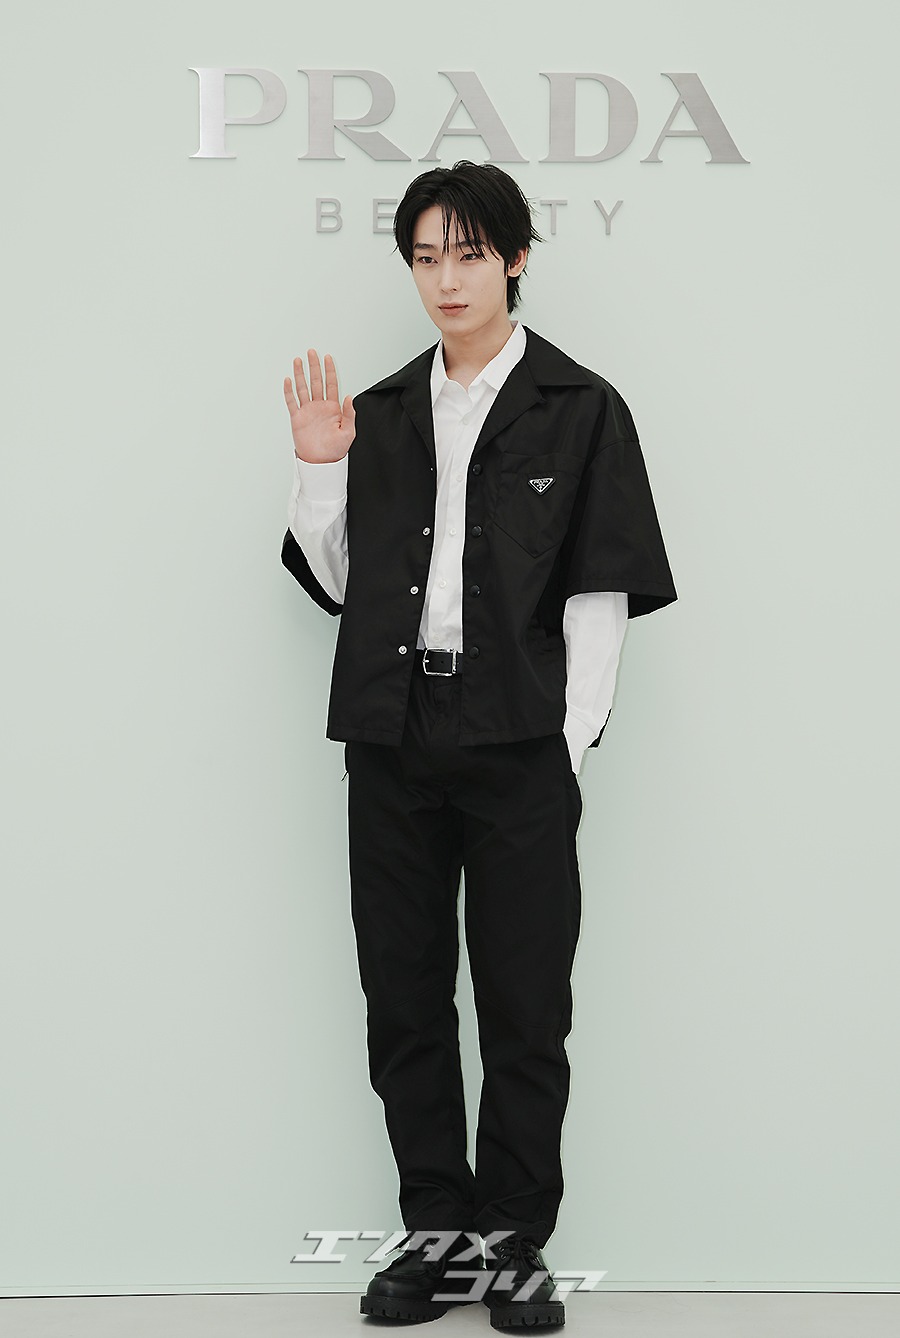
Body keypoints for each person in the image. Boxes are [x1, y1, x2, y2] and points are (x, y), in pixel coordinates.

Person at [281, 160, 677, 1330]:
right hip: (392, 738)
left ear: (514, 259)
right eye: (425, 257)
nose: (446, 279)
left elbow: (599, 595)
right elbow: (341, 585)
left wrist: (567, 748)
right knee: (402, 998)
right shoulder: (384, 411)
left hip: (520, 745)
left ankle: (513, 1241)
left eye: (467, 253)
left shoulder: (581, 407)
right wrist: (318, 467)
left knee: (523, 1003)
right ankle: (434, 1234)